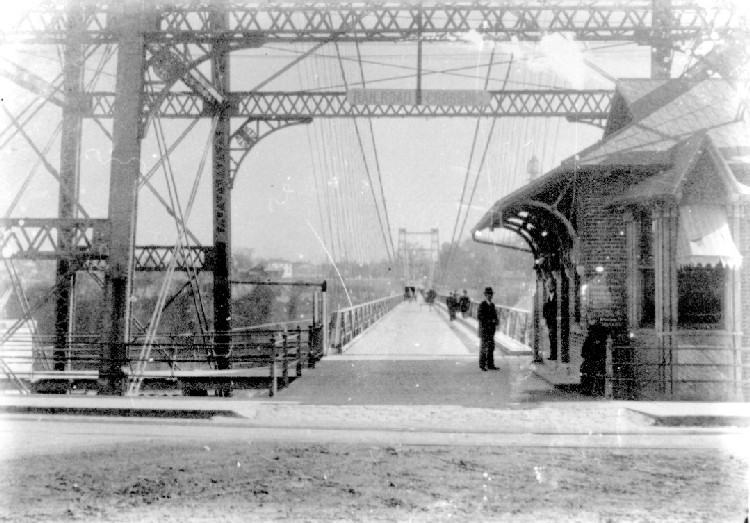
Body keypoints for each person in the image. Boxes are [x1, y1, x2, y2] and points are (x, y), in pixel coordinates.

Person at [580, 317, 608, 396]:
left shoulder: (591, 337)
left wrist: (585, 354)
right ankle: (599, 390)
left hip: (591, 358)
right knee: (599, 373)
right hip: (598, 357)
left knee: (588, 374)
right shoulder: (602, 338)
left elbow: (584, 349)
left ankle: (588, 389)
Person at [477, 287, 499, 371]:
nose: (490, 296)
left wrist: (496, 321)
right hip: (484, 329)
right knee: (484, 347)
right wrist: (490, 321)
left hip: (491, 330)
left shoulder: (492, 305)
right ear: (485, 295)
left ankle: (490, 364)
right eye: (488, 294)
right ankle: (482, 365)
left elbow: (495, 316)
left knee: (491, 347)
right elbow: (479, 316)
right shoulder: (482, 305)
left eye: (491, 294)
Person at [542, 276, 557, 360]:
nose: (548, 288)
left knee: (553, 337)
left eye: (549, 286)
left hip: (554, 320)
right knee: (551, 337)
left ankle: (554, 355)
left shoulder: (556, 295)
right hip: (550, 321)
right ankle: (552, 354)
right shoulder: (549, 296)